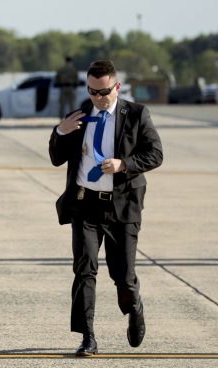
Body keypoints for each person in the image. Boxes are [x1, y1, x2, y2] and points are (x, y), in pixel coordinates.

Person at [48, 60, 163, 356]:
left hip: (122, 207)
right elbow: (56, 158)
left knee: (123, 276)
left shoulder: (136, 114)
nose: (99, 98)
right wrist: (60, 132)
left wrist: (124, 165)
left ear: (117, 87)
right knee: (84, 271)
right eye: (93, 92)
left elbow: (155, 154)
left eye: (104, 92)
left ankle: (134, 308)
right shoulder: (79, 115)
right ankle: (87, 336)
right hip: (85, 205)